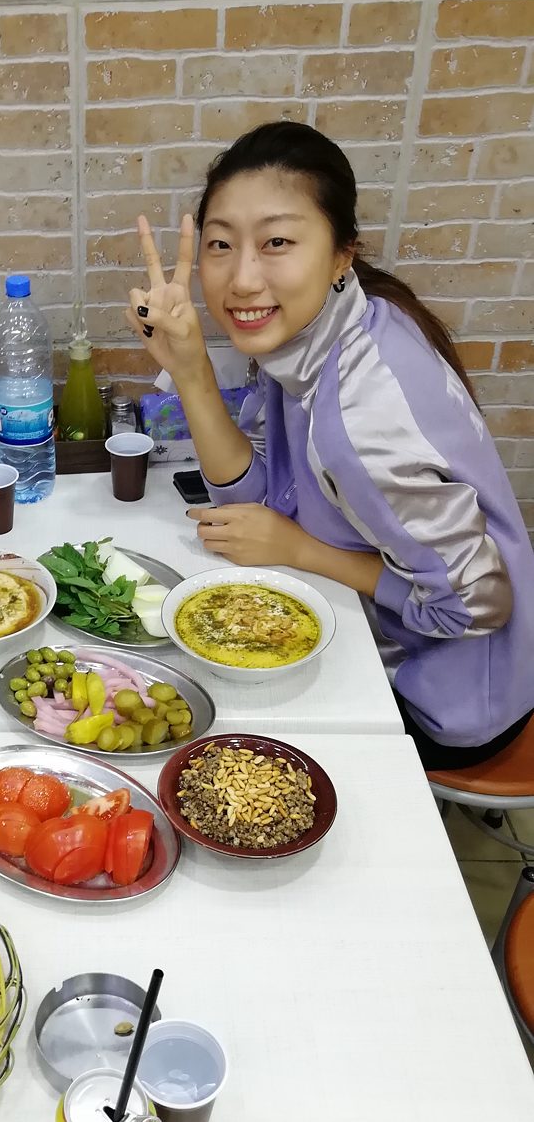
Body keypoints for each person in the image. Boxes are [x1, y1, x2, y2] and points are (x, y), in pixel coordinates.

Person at [126, 120, 534, 770]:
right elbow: (259, 501)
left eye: (277, 242)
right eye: (221, 244)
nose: (242, 278)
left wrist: (300, 551)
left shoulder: (362, 418)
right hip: (382, 633)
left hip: (445, 698)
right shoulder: (326, 330)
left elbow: (476, 604)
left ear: (342, 253)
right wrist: (191, 368)